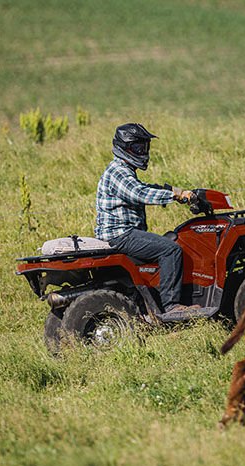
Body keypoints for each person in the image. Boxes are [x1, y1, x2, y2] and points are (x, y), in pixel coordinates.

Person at [95, 123, 199, 320]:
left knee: (173, 242)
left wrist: (178, 191)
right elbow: (139, 193)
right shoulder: (118, 171)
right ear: (125, 147)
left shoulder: (124, 170)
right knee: (170, 249)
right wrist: (176, 197)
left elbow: (144, 186)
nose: (143, 152)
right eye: (138, 148)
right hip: (121, 235)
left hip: (123, 233)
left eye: (144, 147)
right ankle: (171, 306)